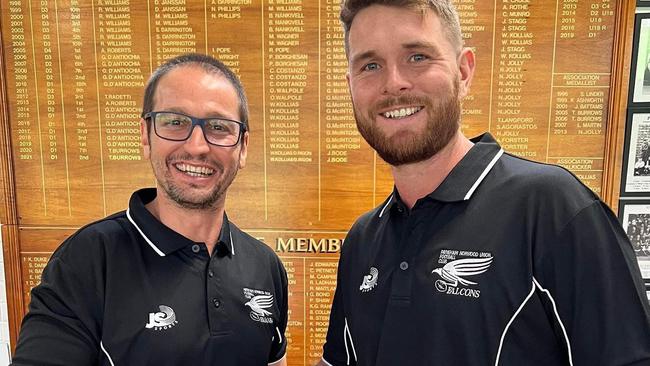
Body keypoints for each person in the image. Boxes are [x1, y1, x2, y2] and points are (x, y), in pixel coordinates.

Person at [319, 1, 650, 365]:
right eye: (370, 66)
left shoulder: (554, 209)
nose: (393, 82)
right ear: (351, 86)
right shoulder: (363, 239)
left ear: (463, 71)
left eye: (417, 57)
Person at [12, 53, 288, 366]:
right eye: (175, 122)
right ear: (145, 136)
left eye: (218, 127)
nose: (197, 146)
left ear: (243, 147)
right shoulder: (87, 261)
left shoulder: (265, 266)